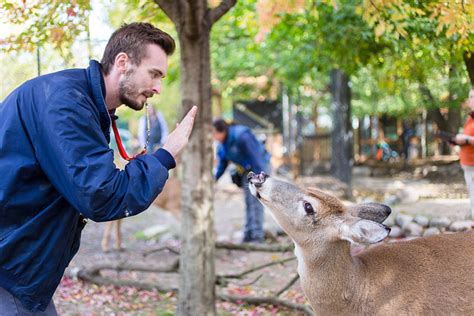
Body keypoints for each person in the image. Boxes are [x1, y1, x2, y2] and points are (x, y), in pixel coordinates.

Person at [0, 22, 197, 314]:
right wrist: (165, 155)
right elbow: (102, 195)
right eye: (154, 74)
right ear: (123, 62)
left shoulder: (83, 102)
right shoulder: (66, 103)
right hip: (10, 271)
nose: (157, 87)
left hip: (19, 268)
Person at [212, 119, 271, 243]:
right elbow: (222, 164)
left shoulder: (242, 136)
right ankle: (248, 234)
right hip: (245, 170)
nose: (213, 137)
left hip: (258, 169)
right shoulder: (222, 145)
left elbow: (257, 159)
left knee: (255, 202)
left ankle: (257, 236)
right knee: (248, 202)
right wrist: (213, 180)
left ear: (221, 131)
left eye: (214, 133)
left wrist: (259, 180)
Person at [453, 88, 474, 220]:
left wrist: (465, 139)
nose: (471, 100)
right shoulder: (469, 119)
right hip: (468, 166)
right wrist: (456, 141)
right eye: (470, 97)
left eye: (473, 97)